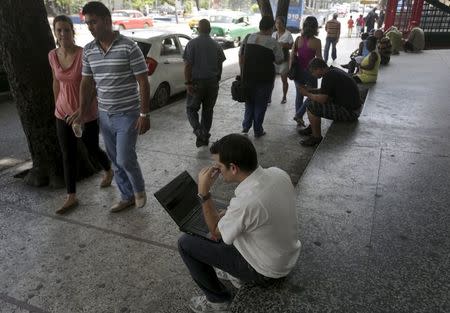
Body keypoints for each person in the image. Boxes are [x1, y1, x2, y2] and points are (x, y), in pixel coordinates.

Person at [178, 133, 301, 313]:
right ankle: (233, 270)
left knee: (185, 243)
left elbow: (215, 231)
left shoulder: (247, 202)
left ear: (233, 168)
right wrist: (230, 214)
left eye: (219, 167)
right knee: (225, 219)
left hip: (266, 270)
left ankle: (218, 300)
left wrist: (204, 193)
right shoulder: (277, 173)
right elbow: (260, 210)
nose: (217, 171)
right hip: (286, 254)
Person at [73, 1, 150, 213]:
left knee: (125, 157)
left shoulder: (129, 47)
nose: (90, 27)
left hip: (128, 114)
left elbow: (143, 81)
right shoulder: (88, 51)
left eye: (93, 22)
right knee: (115, 160)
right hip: (104, 115)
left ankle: (139, 190)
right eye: (87, 23)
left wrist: (145, 113)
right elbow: (87, 83)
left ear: (107, 21)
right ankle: (126, 197)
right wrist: (81, 111)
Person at [48, 15, 113, 214]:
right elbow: (56, 82)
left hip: (85, 114)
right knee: (68, 154)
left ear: (72, 32)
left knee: (92, 147)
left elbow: (93, 86)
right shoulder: (52, 55)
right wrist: (57, 105)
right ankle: (71, 196)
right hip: (62, 114)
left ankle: (109, 170)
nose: (62, 34)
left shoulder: (84, 54)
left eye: (66, 30)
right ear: (55, 32)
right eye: (59, 30)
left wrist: (81, 110)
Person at [298, 58, 361, 146]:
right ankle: (313, 127)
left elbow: (323, 99)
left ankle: (316, 137)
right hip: (353, 108)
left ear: (319, 69)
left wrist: (307, 93)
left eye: (313, 72)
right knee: (312, 100)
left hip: (350, 113)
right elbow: (325, 91)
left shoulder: (329, 76)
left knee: (312, 105)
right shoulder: (332, 71)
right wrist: (311, 90)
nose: (313, 75)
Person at [183, 19, 226, 148]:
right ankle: (203, 137)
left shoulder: (191, 44)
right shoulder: (216, 45)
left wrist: (188, 83)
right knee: (208, 110)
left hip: (196, 83)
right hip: (212, 82)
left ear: (198, 30)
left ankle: (199, 132)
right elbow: (220, 64)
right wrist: (217, 78)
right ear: (210, 29)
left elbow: (187, 66)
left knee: (191, 109)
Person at [239, 16, 283, 138]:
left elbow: (241, 57)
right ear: (271, 28)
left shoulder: (249, 37)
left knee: (249, 102)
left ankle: (245, 127)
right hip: (265, 79)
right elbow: (279, 60)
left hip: (248, 77)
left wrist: (242, 73)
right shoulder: (273, 42)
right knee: (260, 104)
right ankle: (258, 130)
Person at [290, 16, 322, 127]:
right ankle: (299, 115)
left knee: (299, 94)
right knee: (311, 95)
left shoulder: (298, 39)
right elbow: (319, 59)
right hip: (311, 73)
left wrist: (290, 69)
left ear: (304, 26)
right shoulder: (317, 42)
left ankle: (299, 117)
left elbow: (292, 56)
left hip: (298, 71)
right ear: (315, 27)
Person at [272, 16, 293, 104]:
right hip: (274, 60)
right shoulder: (273, 34)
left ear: (283, 24)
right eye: (277, 23)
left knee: (284, 79)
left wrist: (283, 45)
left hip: (284, 60)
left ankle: (284, 96)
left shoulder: (288, 34)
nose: (278, 25)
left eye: (280, 23)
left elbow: (292, 46)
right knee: (271, 80)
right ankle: (269, 97)